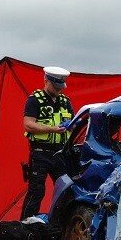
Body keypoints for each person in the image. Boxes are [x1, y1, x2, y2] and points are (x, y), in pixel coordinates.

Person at [20, 66, 74, 219]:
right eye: (56, 86)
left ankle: (59, 225)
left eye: (61, 86)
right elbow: (28, 124)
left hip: (60, 153)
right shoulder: (35, 99)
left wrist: (72, 125)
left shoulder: (65, 101)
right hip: (40, 153)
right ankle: (25, 226)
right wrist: (52, 129)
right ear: (46, 81)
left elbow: (74, 122)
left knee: (66, 189)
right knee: (37, 191)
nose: (59, 90)